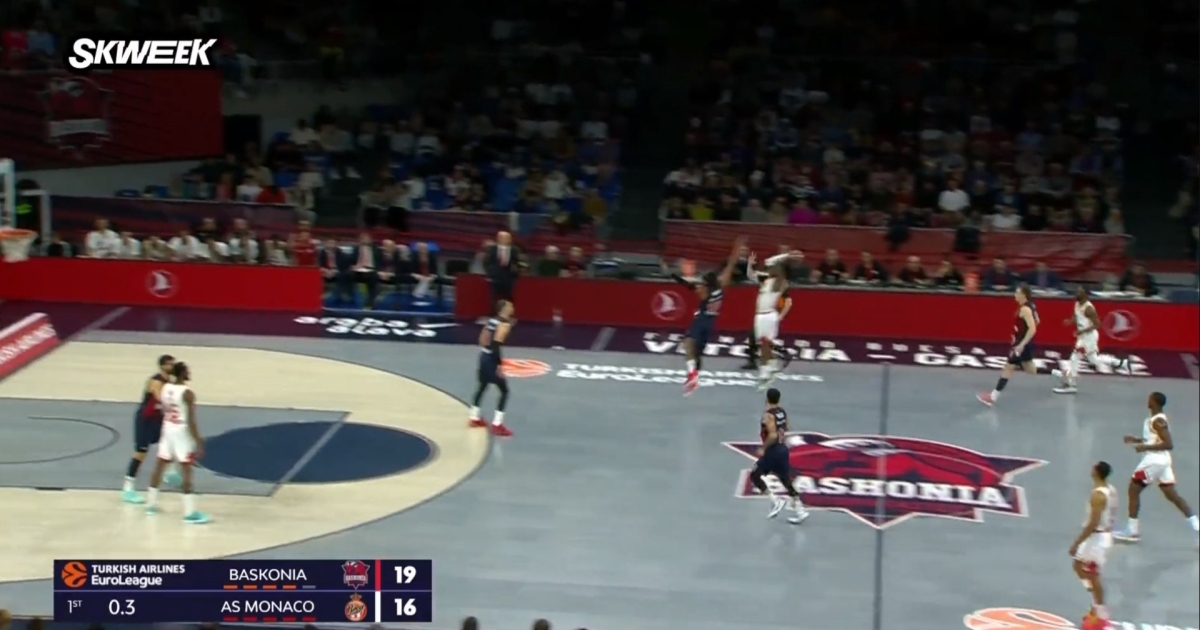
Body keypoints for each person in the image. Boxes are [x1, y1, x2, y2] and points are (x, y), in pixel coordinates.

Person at [1112, 392, 1198, 547]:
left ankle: (1132, 530)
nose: (1148, 400)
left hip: (1154, 461)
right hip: (1162, 462)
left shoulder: (1158, 421)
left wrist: (1144, 447)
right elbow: (1154, 439)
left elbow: (1168, 444)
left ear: (1155, 402)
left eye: (1150, 398)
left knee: (1133, 489)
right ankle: (1197, 526)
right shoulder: (1153, 420)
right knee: (1173, 496)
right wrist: (1136, 440)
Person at [670, 237, 744, 396]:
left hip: (701, 320)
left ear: (707, 284)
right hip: (711, 323)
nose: (701, 283)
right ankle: (694, 376)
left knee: (688, 344)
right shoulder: (722, 285)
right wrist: (736, 250)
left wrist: (676, 278)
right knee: (696, 353)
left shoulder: (704, 292)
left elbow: (691, 286)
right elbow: (730, 264)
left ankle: (692, 375)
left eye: (703, 282)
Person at [145, 362, 209, 523]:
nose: (189, 373)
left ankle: (151, 505)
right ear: (182, 374)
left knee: (160, 465)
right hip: (181, 431)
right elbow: (191, 421)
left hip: (167, 428)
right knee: (186, 470)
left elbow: (163, 408)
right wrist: (199, 441)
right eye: (187, 371)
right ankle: (189, 512)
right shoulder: (188, 393)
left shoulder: (165, 387)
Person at [121, 354, 180, 504]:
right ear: (162, 366)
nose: (172, 366)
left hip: (158, 419)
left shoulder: (170, 382)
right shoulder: (156, 381)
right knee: (141, 453)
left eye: (173, 364)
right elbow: (160, 398)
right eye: (170, 364)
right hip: (146, 419)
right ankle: (128, 488)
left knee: (170, 442)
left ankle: (170, 472)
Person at [977, 285, 1050, 406]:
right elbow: (1038, 320)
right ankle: (1059, 373)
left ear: (1023, 295)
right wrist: (1019, 334)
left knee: (1008, 367)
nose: (1015, 295)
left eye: (1017, 293)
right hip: (1025, 343)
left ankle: (993, 397)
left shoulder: (1025, 309)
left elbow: (1033, 328)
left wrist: (1021, 343)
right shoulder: (1031, 305)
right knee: (1030, 369)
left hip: (1022, 345)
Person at [1052, 287, 1130, 393]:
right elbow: (1077, 316)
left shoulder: (1089, 308)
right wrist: (1070, 321)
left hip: (1089, 337)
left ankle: (1071, 384)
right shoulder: (1077, 304)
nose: (1076, 294)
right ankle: (1120, 363)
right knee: (1093, 360)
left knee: (1075, 356)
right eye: (1076, 292)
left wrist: (1082, 331)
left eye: (1079, 292)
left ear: (1085, 295)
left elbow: (1097, 324)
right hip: (1083, 336)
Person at [1068, 461, 1117, 630]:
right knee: (1078, 565)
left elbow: (1093, 523)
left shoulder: (1098, 496)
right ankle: (1095, 603)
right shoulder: (1110, 490)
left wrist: (1077, 542)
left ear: (1096, 472)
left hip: (1096, 539)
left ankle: (1101, 616)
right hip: (1100, 536)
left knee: (1093, 575)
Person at [748, 388, 808, 524]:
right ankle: (800, 511)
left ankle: (775, 501)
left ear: (767, 399)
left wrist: (763, 448)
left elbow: (773, 434)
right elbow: (786, 427)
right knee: (786, 480)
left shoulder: (768, 415)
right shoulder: (782, 412)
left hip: (773, 451)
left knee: (755, 475)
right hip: (783, 449)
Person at [746, 250, 797, 389]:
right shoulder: (765, 280)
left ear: (779, 270)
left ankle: (765, 375)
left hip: (769, 315)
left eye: (773, 268)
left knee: (765, 344)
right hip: (759, 315)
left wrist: (786, 256)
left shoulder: (781, 283)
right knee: (763, 345)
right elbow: (750, 275)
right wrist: (749, 264)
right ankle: (772, 365)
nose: (769, 268)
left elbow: (771, 262)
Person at [469, 299, 515, 437]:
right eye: (510, 306)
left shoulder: (492, 320)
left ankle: (474, 418)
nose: (512, 308)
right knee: (504, 391)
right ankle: (497, 424)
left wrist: (485, 350)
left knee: (482, 387)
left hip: (483, 356)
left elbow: (482, 337)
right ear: (504, 309)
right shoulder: (504, 323)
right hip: (491, 360)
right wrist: (499, 364)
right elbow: (496, 344)